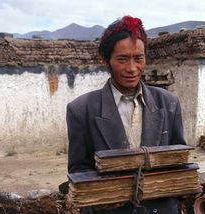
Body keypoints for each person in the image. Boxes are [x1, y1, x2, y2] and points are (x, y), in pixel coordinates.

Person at [67, 15, 186, 214]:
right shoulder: (81, 109)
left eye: (138, 58)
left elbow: (179, 161)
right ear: (106, 60)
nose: (131, 68)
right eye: (122, 59)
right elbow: (79, 169)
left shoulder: (168, 103)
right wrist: (105, 195)